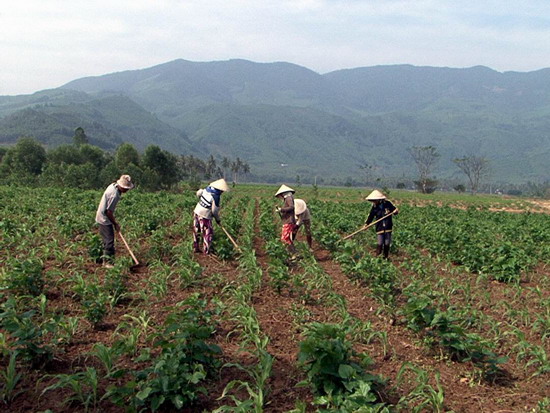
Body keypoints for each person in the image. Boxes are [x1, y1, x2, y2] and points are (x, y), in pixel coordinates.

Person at [95, 174, 135, 268]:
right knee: (109, 240)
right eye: (126, 188)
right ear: (121, 186)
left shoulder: (113, 185)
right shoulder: (114, 195)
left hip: (102, 216)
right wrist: (115, 224)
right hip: (104, 219)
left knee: (106, 240)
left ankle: (102, 258)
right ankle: (108, 263)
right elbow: (108, 212)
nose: (127, 190)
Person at [193, 178, 229, 254]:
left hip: (197, 211)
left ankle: (195, 248)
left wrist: (202, 201)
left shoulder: (207, 189)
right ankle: (206, 250)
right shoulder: (216, 197)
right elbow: (214, 211)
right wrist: (218, 219)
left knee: (197, 230)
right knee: (208, 232)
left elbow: (198, 192)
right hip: (205, 215)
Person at [365, 190, 399, 259]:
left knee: (387, 243)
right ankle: (378, 258)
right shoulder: (375, 207)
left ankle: (385, 257)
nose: (374, 202)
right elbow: (371, 216)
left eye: (375, 200)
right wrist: (366, 224)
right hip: (379, 227)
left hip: (388, 226)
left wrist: (395, 211)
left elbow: (395, 211)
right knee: (380, 243)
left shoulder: (388, 204)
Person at [275, 184, 298, 259]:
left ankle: (293, 254)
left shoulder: (288, 198)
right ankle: (291, 253)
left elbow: (291, 207)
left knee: (285, 238)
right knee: (286, 238)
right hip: (288, 220)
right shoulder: (288, 198)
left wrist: (281, 209)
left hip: (289, 221)